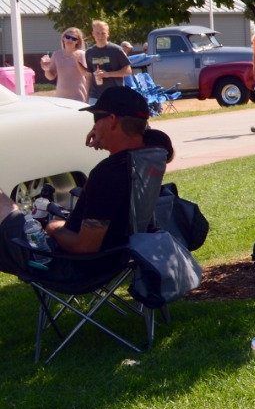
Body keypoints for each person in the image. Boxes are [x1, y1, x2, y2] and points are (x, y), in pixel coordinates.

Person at [0, 86, 150, 275]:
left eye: (96, 118)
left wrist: (54, 228)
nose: (93, 127)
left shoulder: (108, 174)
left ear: (112, 120)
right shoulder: (151, 157)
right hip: (121, 256)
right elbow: (159, 140)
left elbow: (85, 247)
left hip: (71, 264)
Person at [83, 20, 132, 100]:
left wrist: (108, 74)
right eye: (97, 33)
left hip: (115, 95)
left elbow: (128, 71)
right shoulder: (89, 52)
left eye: (103, 33)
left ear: (108, 34)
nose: (100, 36)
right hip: (95, 96)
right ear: (93, 34)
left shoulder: (116, 50)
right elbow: (89, 75)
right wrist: (86, 96)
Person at [39, 27, 89, 102]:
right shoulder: (56, 55)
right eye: (68, 37)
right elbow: (51, 77)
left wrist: (77, 61)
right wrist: (46, 69)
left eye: (74, 38)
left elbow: (86, 74)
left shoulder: (81, 54)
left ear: (77, 41)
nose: (70, 40)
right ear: (63, 38)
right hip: (60, 97)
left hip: (79, 96)